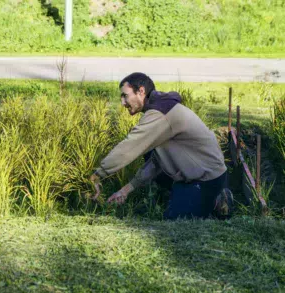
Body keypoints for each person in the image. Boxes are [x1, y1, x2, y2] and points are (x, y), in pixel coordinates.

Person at [90, 72, 232, 219]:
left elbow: (129, 147)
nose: (123, 103)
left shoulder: (160, 113)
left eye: (125, 96)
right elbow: (156, 162)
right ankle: (193, 200)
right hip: (191, 174)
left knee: (177, 222)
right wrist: (126, 190)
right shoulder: (160, 108)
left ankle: (218, 200)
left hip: (207, 177)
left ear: (141, 91)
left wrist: (98, 174)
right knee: (149, 154)